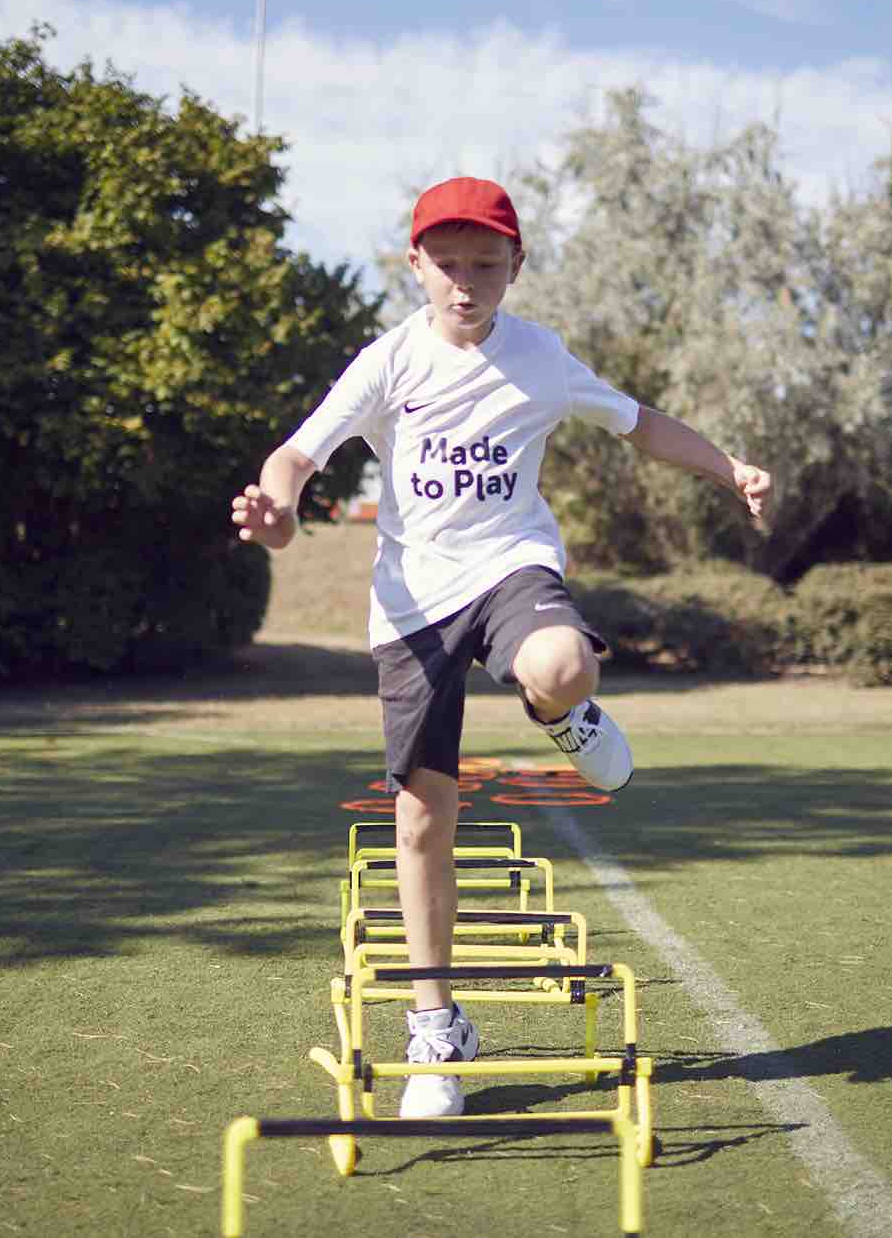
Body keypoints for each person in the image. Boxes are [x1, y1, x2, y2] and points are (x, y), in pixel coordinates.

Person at [230, 177, 772, 1118]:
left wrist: (729, 468)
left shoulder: (542, 359)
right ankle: (437, 1026)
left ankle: (569, 715)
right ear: (416, 266)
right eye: (447, 265)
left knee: (562, 665)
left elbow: (640, 425)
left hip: (512, 568)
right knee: (420, 820)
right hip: (410, 607)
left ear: (516, 266)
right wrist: (274, 510)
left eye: (487, 264)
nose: (466, 283)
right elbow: (296, 459)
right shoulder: (388, 361)